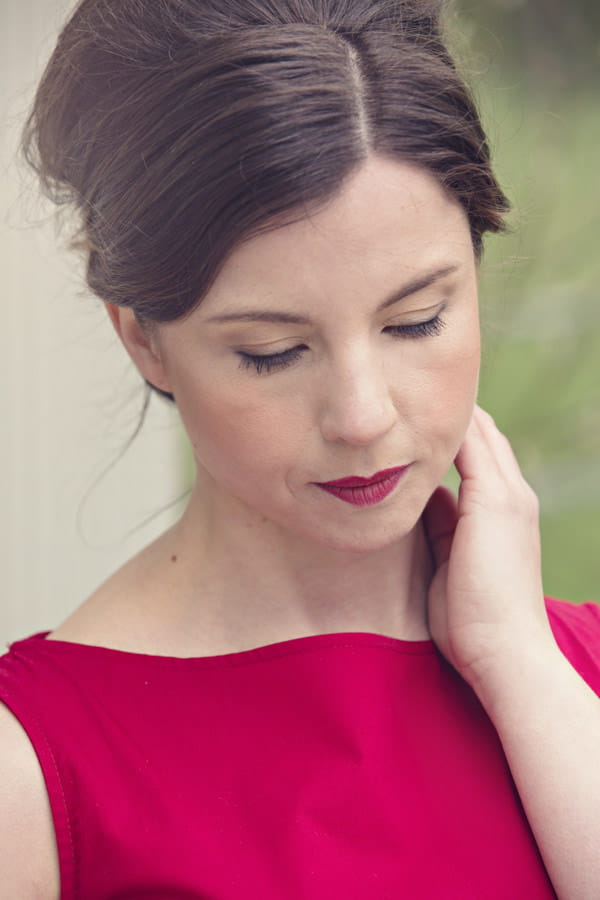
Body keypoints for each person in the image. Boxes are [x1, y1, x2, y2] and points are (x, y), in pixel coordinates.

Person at [1, 0, 599, 897]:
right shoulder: (35, 770)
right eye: (273, 351)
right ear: (142, 339)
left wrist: (516, 662)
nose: (361, 417)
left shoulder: (571, 669)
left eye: (416, 320)